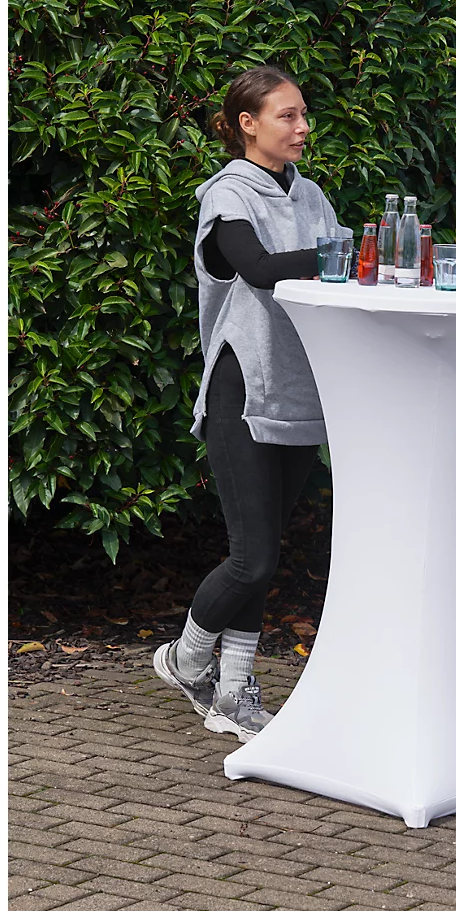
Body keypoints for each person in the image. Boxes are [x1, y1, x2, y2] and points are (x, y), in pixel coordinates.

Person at [153, 65, 346, 742]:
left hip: (299, 391)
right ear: (247, 124)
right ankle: (185, 660)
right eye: (287, 116)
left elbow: (340, 270)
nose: (303, 127)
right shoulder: (227, 195)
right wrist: (343, 254)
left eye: (303, 114)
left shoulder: (311, 194)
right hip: (243, 389)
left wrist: (349, 257)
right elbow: (258, 269)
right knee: (252, 559)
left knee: (265, 553)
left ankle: (234, 692)